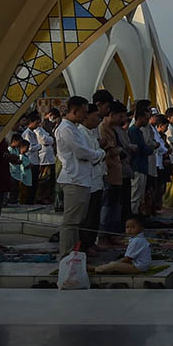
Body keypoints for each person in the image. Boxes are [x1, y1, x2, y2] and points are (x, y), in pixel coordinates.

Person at [55, 96, 104, 259]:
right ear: (74, 111)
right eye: (83, 112)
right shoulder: (66, 129)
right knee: (71, 222)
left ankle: (74, 254)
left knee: (78, 221)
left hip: (82, 178)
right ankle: (67, 255)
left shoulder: (74, 128)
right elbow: (81, 152)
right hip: (73, 179)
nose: (85, 116)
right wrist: (99, 154)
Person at [98, 101, 127, 247]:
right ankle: (103, 236)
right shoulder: (103, 128)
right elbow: (110, 150)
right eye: (120, 116)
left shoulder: (112, 129)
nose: (122, 119)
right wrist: (119, 150)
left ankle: (112, 234)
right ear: (112, 115)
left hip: (116, 171)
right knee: (107, 206)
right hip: (108, 172)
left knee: (115, 206)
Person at [79, 104, 106, 253]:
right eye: (96, 116)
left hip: (97, 178)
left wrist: (99, 154)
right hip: (87, 179)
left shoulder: (91, 133)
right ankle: (85, 244)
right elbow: (91, 155)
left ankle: (91, 241)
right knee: (88, 215)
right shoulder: (80, 133)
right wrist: (101, 154)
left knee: (95, 213)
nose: (98, 120)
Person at [127, 108, 154, 215]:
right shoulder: (133, 131)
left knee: (140, 195)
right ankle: (133, 216)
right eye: (146, 118)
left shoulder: (139, 131)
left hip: (142, 166)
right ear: (140, 118)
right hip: (136, 166)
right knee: (135, 195)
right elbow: (141, 148)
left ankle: (137, 214)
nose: (147, 121)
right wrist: (150, 149)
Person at [34, 115, 56, 203]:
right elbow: (44, 140)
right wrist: (50, 139)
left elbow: (50, 139)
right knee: (43, 179)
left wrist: (50, 139)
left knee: (49, 179)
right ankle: (41, 197)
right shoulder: (37, 131)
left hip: (49, 157)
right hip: (44, 158)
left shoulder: (42, 129)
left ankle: (47, 196)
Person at [21, 113, 42, 204]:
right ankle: (27, 201)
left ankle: (31, 200)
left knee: (35, 183)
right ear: (31, 122)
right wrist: (38, 146)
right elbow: (28, 148)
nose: (37, 125)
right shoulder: (27, 133)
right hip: (30, 160)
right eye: (36, 123)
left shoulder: (33, 133)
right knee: (30, 182)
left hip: (35, 160)